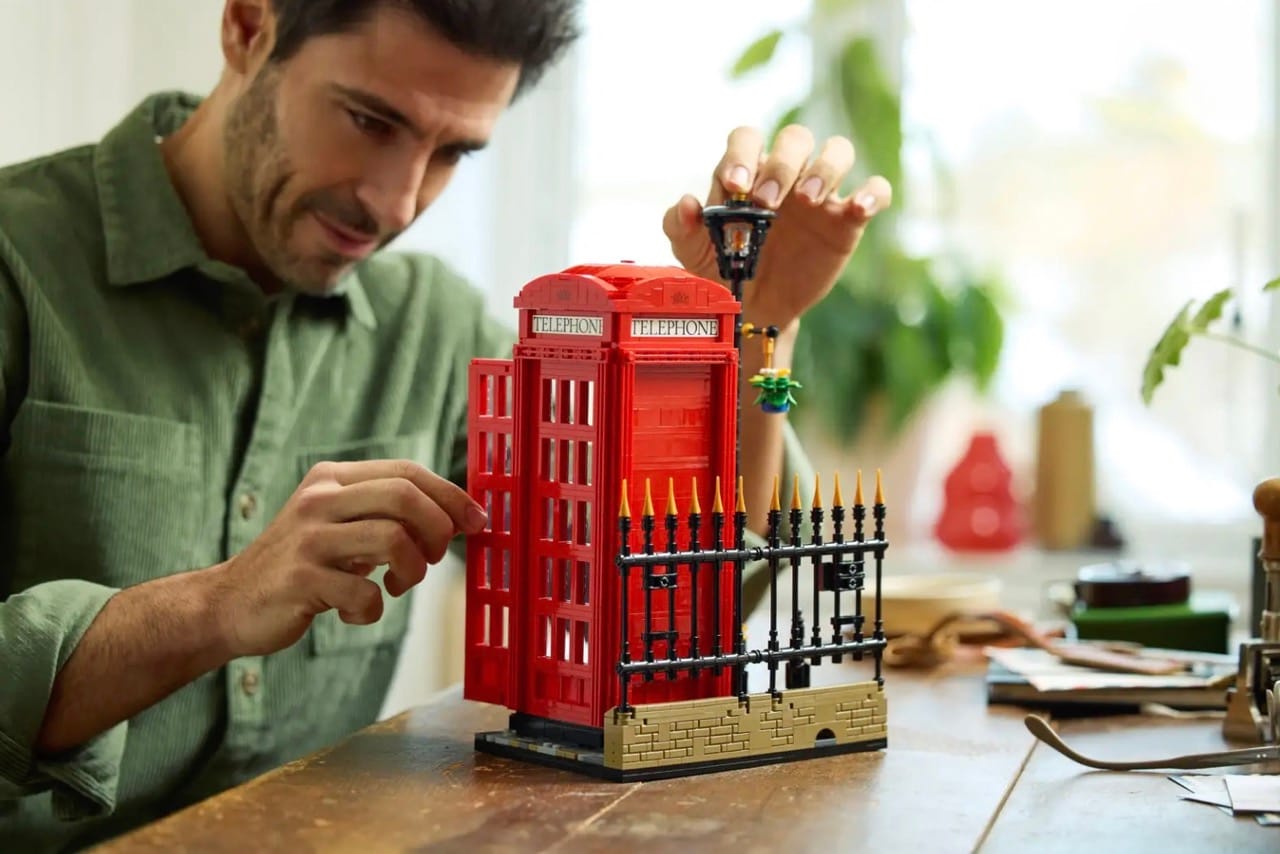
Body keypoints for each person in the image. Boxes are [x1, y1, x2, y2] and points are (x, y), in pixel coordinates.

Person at [0, 1, 891, 849]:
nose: (396, 203)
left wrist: (751, 329)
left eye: (452, 152)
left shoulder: (435, 326)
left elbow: (666, 611)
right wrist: (217, 605)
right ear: (245, 28)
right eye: (368, 120)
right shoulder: (18, 262)